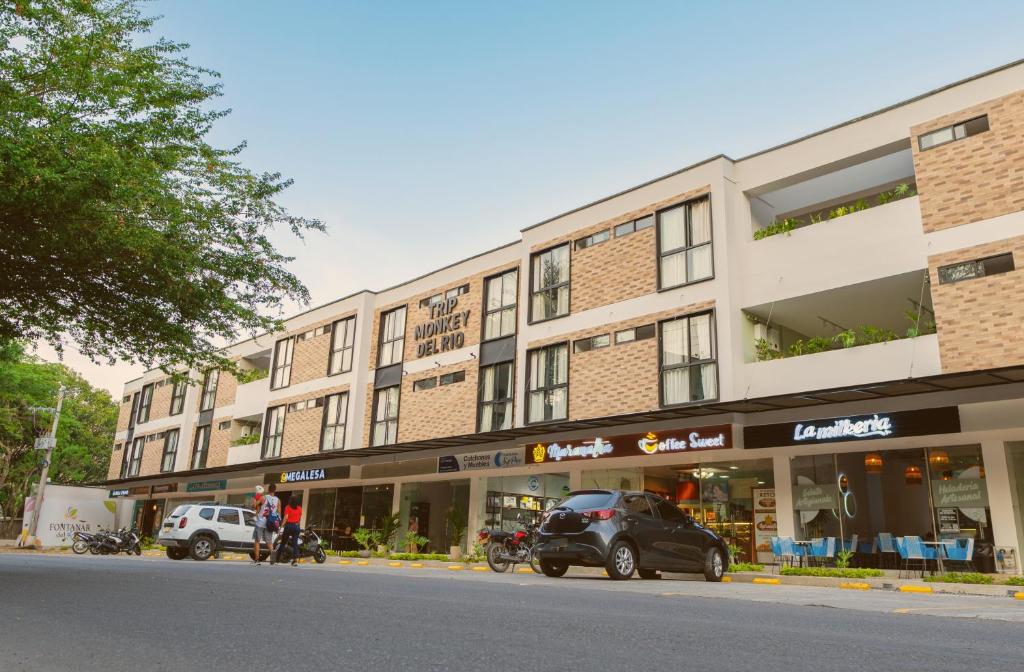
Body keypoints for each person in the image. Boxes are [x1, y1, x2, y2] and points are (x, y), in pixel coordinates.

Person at [253, 483, 279, 566]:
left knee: (257, 541)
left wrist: (255, 497)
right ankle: (273, 557)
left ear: (268, 489)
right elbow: (279, 513)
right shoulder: (278, 500)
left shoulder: (263, 497)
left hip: (260, 522)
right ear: (275, 490)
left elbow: (254, 505)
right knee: (269, 542)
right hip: (270, 523)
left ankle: (257, 560)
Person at [279, 497, 303, 567]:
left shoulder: (288, 507)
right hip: (296, 526)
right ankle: (295, 560)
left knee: (283, 542)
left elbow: (286, 517)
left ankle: (277, 558)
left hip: (289, 526)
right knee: (295, 543)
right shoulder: (299, 508)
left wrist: (281, 526)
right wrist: (297, 525)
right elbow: (299, 519)